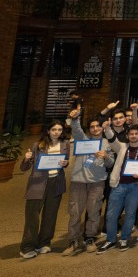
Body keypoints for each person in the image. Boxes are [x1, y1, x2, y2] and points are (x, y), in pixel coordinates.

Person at [98, 124, 138, 253]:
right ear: (127, 135)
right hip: (118, 185)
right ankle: (110, 239)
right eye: (131, 134)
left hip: (135, 186)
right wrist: (107, 129)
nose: (133, 136)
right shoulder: (122, 147)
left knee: (130, 214)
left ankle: (124, 239)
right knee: (111, 214)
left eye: (136, 133)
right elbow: (112, 139)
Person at [63, 109, 113, 255]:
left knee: (94, 212)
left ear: (102, 128)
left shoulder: (107, 143)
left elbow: (111, 163)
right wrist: (75, 119)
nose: (95, 129)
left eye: (98, 126)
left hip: (97, 182)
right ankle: (73, 241)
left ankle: (90, 238)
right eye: (92, 127)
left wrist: (106, 157)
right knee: (75, 212)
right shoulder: (83, 140)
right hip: (78, 181)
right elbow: (77, 129)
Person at [19, 121, 71, 258]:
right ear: (48, 131)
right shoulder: (38, 145)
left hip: (56, 183)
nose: (57, 132)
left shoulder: (65, 144)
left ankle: (44, 243)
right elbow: (24, 168)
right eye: (54, 129)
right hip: (38, 184)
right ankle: (27, 246)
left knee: (50, 215)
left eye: (59, 129)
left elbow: (65, 162)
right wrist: (27, 159)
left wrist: (66, 163)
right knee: (32, 216)